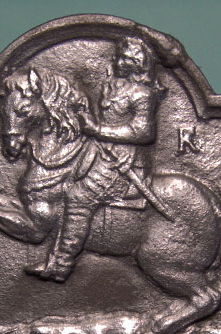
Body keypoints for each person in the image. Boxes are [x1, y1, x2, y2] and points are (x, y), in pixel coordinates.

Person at [28, 35, 166, 282]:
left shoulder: (144, 94)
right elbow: (101, 120)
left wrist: (98, 130)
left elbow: (144, 131)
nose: (120, 62)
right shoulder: (112, 85)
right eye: (119, 57)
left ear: (138, 64)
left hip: (124, 161)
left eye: (126, 59)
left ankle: (61, 264)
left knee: (78, 196)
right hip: (98, 151)